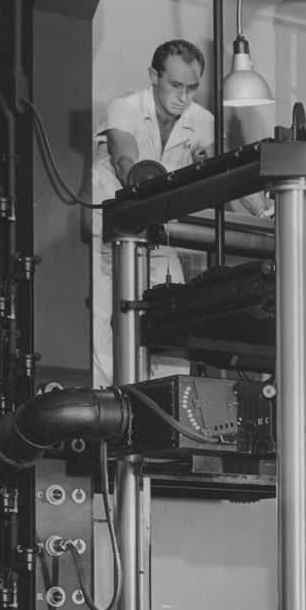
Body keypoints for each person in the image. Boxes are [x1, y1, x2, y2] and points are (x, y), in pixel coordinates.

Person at [91, 39, 214, 387]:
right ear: (153, 76)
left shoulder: (202, 120)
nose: (183, 97)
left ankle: (170, 398)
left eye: (192, 88)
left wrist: (262, 208)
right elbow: (124, 159)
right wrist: (143, 183)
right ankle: (108, 394)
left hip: (160, 227)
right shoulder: (124, 108)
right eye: (175, 85)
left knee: (171, 309)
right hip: (110, 224)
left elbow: (221, 168)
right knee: (105, 311)